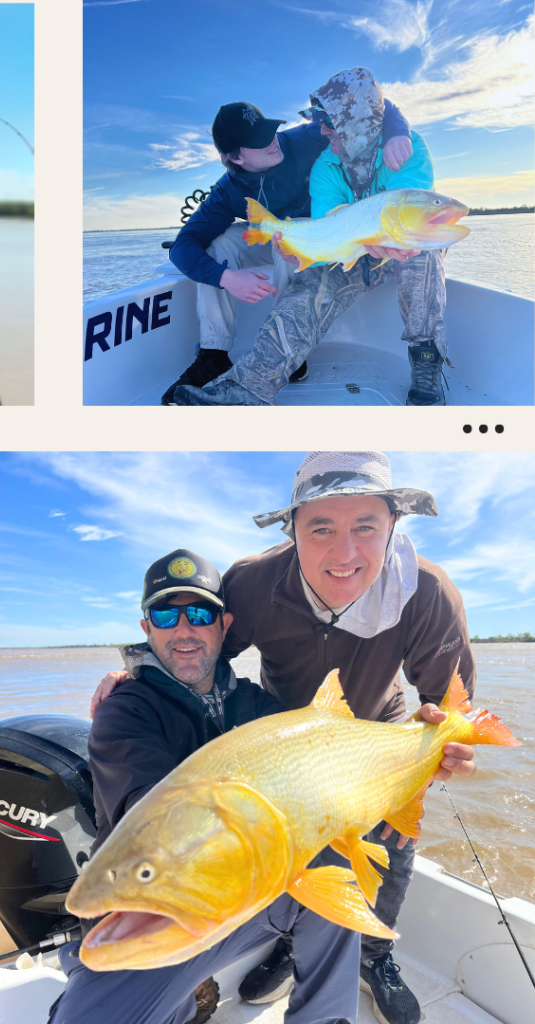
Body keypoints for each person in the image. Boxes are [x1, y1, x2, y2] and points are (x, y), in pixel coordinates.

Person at [92, 452, 477, 1024]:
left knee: (390, 843)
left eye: (365, 526)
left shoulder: (428, 591)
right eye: (320, 528)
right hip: (284, 729)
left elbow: (450, 703)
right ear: (292, 529)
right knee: (298, 843)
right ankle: (292, 942)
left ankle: (375, 953)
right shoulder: (251, 584)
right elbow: (199, 643)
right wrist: (135, 672)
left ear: (393, 525)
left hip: (380, 725)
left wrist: (440, 756)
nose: (344, 552)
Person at [174, 68, 450, 407]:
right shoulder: (324, 164)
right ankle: (246, 385)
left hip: (399, 247)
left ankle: (426, 361)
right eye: (259, 138)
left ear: (354, 126)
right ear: (236, 157)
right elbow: (328, 223)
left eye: (328, 122)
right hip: (346, 251)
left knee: (423, 244)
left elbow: (372, 107)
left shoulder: (402, 147)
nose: (320, 130)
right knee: (305, 285)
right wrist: (293, 256)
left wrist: (397, 129)